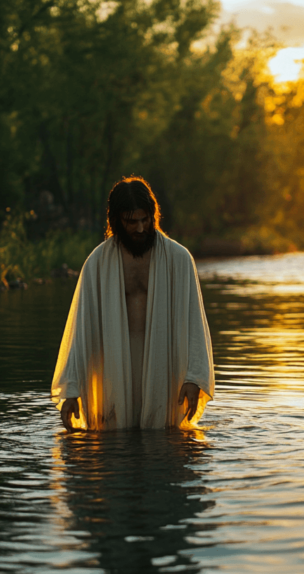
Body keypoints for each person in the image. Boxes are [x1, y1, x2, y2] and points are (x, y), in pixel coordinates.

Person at [51, 177, 214, 430]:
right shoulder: (97, 264)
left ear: (153, 216)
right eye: (131, 222)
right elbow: (81, 329)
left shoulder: (179, 260)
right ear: (116, 221)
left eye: (145, 220)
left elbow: (195, 323)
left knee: (165, 443)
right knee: (114, 442)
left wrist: (193, 377)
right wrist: (71, 390)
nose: (140, 229)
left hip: (164, 368)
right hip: (113, 370)